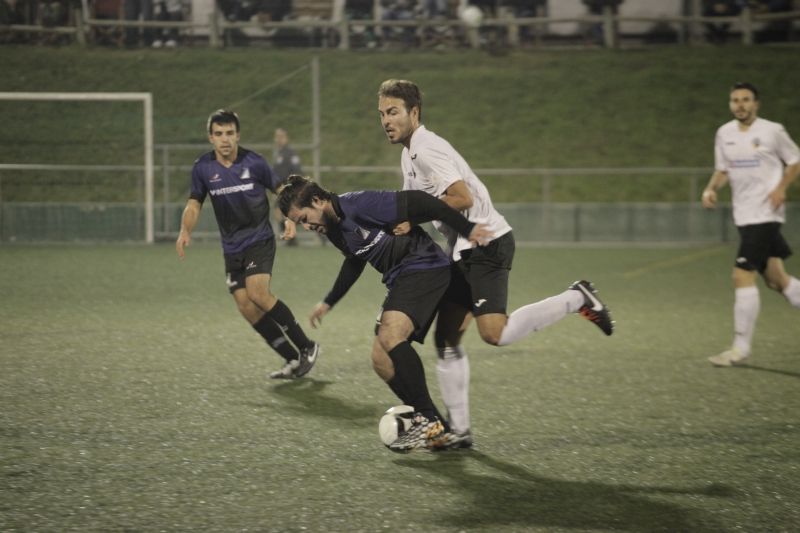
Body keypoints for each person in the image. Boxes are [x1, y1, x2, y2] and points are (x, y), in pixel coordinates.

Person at [377, 79, 614, 447]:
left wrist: (414, 220)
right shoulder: (409, 153)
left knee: (495, 334)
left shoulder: (426, 148)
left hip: (487, 243)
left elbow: (461, 196)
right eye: (381, 114)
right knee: (446, 339)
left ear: (414, 113)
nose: (386, 121)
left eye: (393, 112)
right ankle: (460, 431)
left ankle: (577, 298)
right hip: (463, 250)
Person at [276, 175, 492, 452]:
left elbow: (424, 202)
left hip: (424, 265)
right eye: (301, 223)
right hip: (400, 278)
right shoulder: (332, 228)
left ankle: (424, 418)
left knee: (391, 334)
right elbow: (354, 260)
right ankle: (438, 428)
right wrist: (329, 301)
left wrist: (467, 227)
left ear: (318, 201)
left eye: (305, 218)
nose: (307, 226)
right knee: (380, 359)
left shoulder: (363, 203)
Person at [176, 109, 320, 380]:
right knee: (246, 306)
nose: (225, 139)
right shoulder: (203, 168)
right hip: (231, 247)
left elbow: (280, 190)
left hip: (259, 239)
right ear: (210, 138)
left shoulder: (254, 162)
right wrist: (185, 229)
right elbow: (194, 203)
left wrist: (290, 218)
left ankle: (306, 346)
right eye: (218, 134)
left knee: (257, 293)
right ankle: (291, 359)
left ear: (238, 135)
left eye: (229, 133)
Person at [702, 82, 800, 367]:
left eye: (745, 100)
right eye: (735, 100)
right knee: (776, 280)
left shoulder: (772, 130)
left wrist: (782, 187)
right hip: (744, 215)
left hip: (766, 213)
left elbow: (795, 160)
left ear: (756, 103)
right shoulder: (724, 133)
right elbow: (723, 170)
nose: (740, 105)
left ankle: (739, 348)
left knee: (741, 275)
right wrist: (711, 189)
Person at [271, 127, 304, 245]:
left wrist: (295, 187)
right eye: (277, 137)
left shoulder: (290, 153)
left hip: (289, 188)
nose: (278, 139)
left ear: (286, 138)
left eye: (281, 137)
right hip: (280, 188)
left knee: (298, 214)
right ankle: (290, 239)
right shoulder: (278, 153)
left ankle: (323, 237)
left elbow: (297, 171)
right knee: (279, 213)